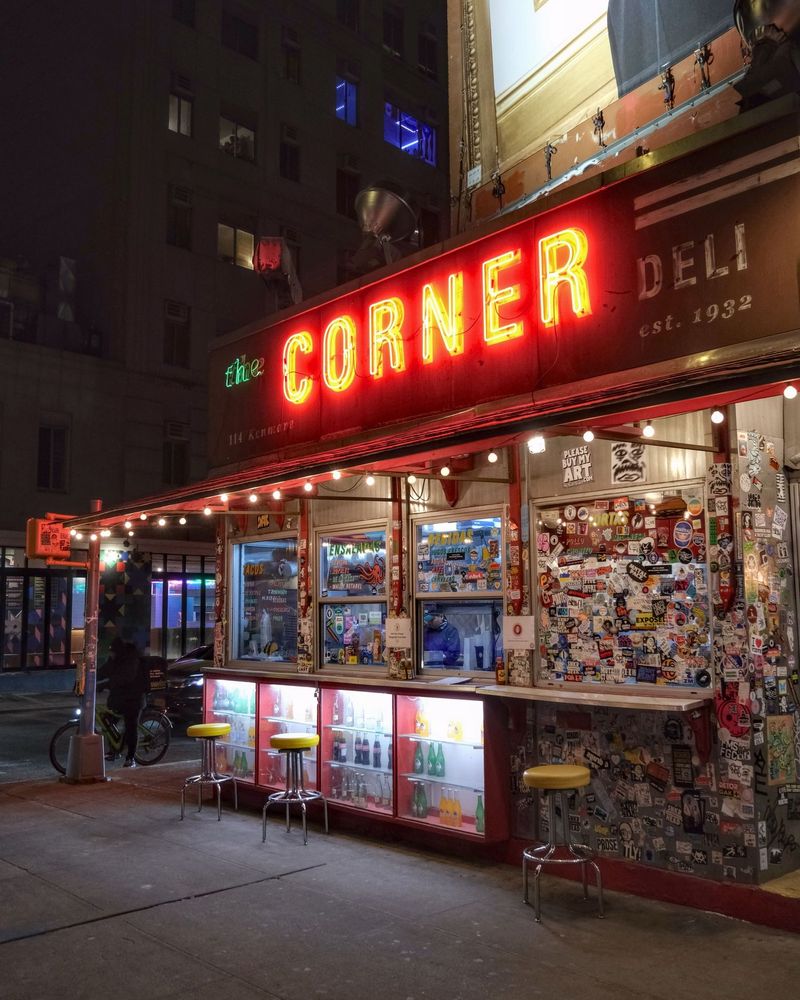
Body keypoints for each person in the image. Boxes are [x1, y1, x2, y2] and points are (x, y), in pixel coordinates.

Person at [98, 636, 146, 767]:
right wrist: (90, 679)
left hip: (133, 699)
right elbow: (103, 671)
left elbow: (124, 678)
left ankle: (131, 758)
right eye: (110, 652)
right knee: (107, 721)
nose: (111, 654)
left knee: (131, 727)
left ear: (119, 651)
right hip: (119, 698)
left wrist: (103, 685)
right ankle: (114, 751)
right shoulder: (114, 660)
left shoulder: (131, 660)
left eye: (113, 652)